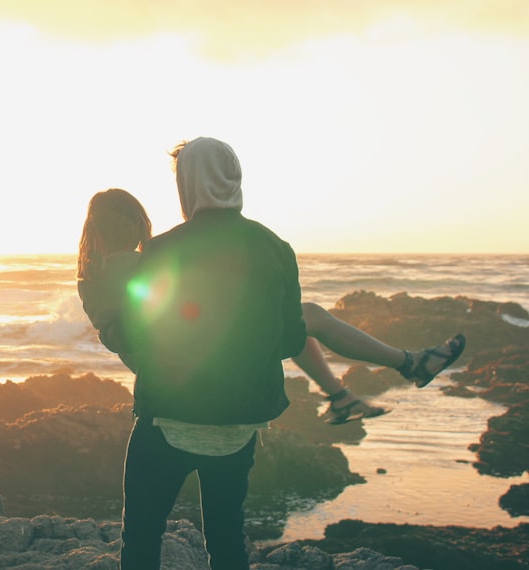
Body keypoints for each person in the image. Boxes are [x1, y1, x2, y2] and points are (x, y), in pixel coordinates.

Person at [77, 139, 464, 569]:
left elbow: (143, 334)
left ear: (190, 184)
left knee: (141, 542)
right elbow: (291, 337)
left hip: (169, 420)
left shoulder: (162, 251)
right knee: (225, 544)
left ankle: (382, 376)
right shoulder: (276, 247)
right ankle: (400, 368)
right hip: (240, 428)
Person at [77, 188, 465, 424]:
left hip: (178, 366)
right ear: (133, 225)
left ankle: (347, 394)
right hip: (182, 374)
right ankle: (402, 367)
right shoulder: (129, 266)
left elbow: (164, 315)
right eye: (137, 226)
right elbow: (136, 330)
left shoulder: (97, 276)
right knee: (303, 316)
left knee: (297, 317)